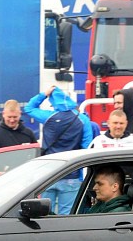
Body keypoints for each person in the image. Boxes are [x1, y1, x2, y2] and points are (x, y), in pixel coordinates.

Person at [24, 85, 95, 214]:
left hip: (48, 173)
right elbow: (86, 147)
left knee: (43, 214)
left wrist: (44, 94)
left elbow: (28, 108)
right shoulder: (83, 119)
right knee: (65, 215)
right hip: (71, 174)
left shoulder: (49, 116)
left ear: (53, 103)